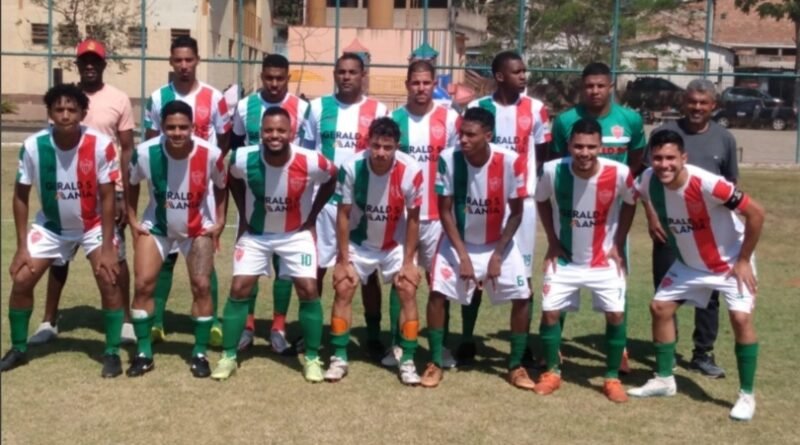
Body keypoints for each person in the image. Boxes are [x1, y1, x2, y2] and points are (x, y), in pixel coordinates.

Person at [628, 129, 764, 422]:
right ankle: (664, 380)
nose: (664, 164)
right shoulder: (648, 179)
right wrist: (650, 215)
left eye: (670, 158)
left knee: (740, 319)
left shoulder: (708, 184)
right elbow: (635, 194)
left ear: (683, 158)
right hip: (689, 264)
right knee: (660, 308)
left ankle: (746, 395)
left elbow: (756, 213)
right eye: (658, 158)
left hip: (730, 263)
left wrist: (743, 260)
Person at [0, 84, 123, 377]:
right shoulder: (33, 146)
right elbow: (20, 196)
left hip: (92, 225)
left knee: (109, 279)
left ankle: (112, 352)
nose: (65, 115)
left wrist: (108, 246)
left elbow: (108, 197)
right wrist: (21, 247)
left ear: (82, 113)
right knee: (22, 279)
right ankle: (18, 348)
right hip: (51, 227)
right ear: (50, 113)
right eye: (59, 109)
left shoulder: (100, 144)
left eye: (72, 109)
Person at [211, 107, 337, 382]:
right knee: (239, 287)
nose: (274, 136)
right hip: (257, 234)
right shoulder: (243, 158)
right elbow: (231, 178)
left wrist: (312, 217)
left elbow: (332, 177)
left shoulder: (311, 160)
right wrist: (244, 214)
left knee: (308, 289)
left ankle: (312, 358)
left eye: (281, 130)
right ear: (260, 133)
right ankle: (228, 356)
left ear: (292, 133)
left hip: (295, 234)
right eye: (268, 130)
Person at [28, 39, 136, 346]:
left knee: (115, 256)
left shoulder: (118, 99)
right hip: (67, 191)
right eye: (84, 61)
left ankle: (125, 320)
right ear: (77, 65)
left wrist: (123, 195)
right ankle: (48, 321)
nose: (90, 65)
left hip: (105, 191)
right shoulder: (65, 99)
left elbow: (126, 149)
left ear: (103, 64)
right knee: (57, 258)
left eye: (95, 61)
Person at [421, 107, 532, 389]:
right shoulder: (449, 158)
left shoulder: (511, 161)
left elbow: (517, 213)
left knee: (522, 296)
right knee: (437, 293)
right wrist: (463, 256)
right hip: (458, 241)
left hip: (497, 242)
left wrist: (498, 255)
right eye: (461, 133)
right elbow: (444, 211)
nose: (463, 140)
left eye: (471, 135)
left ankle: (516, 366)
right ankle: (435, 361)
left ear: (488, 135)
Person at [549, 61, 647, 372]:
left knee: (616, 273)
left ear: (611, 86)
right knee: (562, 271)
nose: (594, 91)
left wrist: (617, 188)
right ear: (582, 87)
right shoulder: (565, 121)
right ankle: (554, 346)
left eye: (600, 85)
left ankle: (620, 349)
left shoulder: (630, 119)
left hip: (611, 212)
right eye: (589, 86)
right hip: (573, 208)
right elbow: (557, 161)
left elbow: (637, 159)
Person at [532, 118, 637, 403]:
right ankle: (552, 372)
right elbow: (541, 199)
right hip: (565, 260)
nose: (584, 153)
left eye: (591, 147)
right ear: (569, 146)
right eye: (578, 146)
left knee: (616, 315)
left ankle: (612, 377)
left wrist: (618, 243)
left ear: (601, 146)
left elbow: (631, 202)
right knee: (550, 313)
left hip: (604, 261)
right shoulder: (553, 170)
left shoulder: (619, 172)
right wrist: (553, 241)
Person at [125, 101, 227, 378]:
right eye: (171, 127)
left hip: (197, 228)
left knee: (202, 286)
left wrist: (219, 220)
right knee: (143, 285)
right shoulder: (145, 153)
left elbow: (221, 186)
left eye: (183, 127)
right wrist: (132, 218)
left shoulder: (211, 153)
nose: (177, 132)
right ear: (162, 127)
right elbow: (131, 182)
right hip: (157, 227)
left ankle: (199, 353)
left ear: (193, 127)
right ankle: (143, 353)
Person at [645, 79, 739, 378]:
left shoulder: (724, 138)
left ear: (713, 105)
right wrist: (653, 216)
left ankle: (703, 353)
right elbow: (647, 180)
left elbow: (731, 185)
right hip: (670, 227)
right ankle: (668, 351)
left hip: (708, 233)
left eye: (703, 102)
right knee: (665, 291)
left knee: (709, 294)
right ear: (683, 102)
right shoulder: (664, 133)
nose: (697, 107)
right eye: (692, 101)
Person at [463, 51, 551, 365]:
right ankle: (466, 339)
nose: (523, 76)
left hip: (520, 204)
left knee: (522, 276)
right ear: (500, 76)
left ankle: (521, 345)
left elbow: (541, 154)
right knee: (475, 270)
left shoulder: (536, 109)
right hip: (482, 201)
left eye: (524, 70)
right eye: (517, 71)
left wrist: (523, 185)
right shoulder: (477, 108)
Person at [143, 35, 231, 346]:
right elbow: (150, 141)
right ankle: (156, 321)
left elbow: (224, 139)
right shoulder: (157, 98)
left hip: (201, 188)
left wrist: (206, 170)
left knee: (203, 253)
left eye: (188, 59)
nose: (183, 65)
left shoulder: (214, 97)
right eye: (178, 60)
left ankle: (213, 322)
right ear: (171, 61)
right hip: (168, 186)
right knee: (164, 254)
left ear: (197, 60)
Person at [302, 53, 390, 361]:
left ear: (363, 75)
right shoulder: (317, 108)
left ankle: (373, 335)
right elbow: (307, 155)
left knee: (368, 274)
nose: (347, 77)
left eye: (353, 72)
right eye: (341, 71)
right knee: (316, 269)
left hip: (362, 206)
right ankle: (312, 333)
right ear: (335, 74)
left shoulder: (378, 110)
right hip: (324, 204)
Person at [323, 117, 424, 385]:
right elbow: (343, 215)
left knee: (407, 288)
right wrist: (343, 259)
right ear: (368, 143)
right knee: (344, 286)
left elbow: (414, 219)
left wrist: (409, 261)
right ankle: (339, 357)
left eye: (387, 147)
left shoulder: (411, 170)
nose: (381, 152)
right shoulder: (351, 167)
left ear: (397, 146)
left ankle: (407, 360)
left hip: (394, 243)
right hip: (360, 242)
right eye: (376, 146)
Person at [231, 54, 312, 353]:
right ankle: (248, 325)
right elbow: (236, 149)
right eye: (269, 77)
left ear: (288, 77)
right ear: (261, 76)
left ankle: (278, 327)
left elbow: (309, 152)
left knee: (284, 266)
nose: (274, 83)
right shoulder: (244, 106)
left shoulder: (303, 109)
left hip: (291, 197)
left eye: (280, 78)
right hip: (255, 198)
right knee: (249, 265)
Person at [384, 60, 460, 369]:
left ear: (434, 85)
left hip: (439, 217)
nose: (421, 88)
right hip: (403, 216)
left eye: (426, 83)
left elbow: (456, 165)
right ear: (407, 85)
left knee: (439, 284)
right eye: (415, 83)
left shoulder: (450, 119)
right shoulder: (394, 119)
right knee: (401, 281)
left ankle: (440, 348)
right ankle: (397, 344)